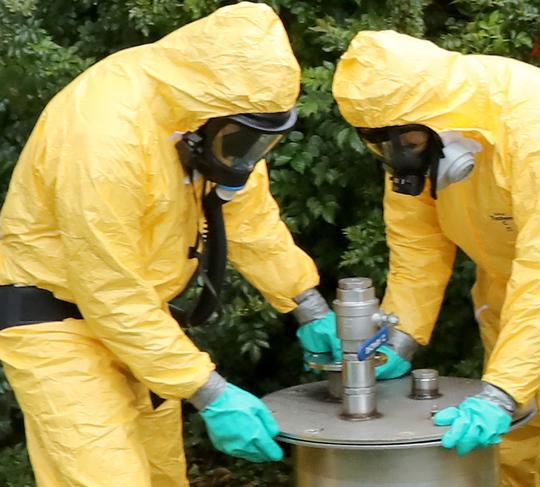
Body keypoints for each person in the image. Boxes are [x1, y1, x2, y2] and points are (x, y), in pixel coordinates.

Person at [0, 3, 340, 486]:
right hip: (59, 325)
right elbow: (109, 289)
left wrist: (306, 303)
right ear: (205, 113)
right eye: (243, 139)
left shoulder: (221, 119)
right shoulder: (105, 137)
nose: (247, 154)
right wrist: (212, 393)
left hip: (142, 322)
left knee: (163, 477)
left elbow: (246, 214)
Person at [332, 30, 540, 486]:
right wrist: (401, 331)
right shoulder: (408, 125)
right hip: (507, 267)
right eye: (380, 144)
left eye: (406, 145)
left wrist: (501, 391)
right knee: (514, 439)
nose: (396, 156)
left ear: (441, 121)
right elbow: (417, 242)